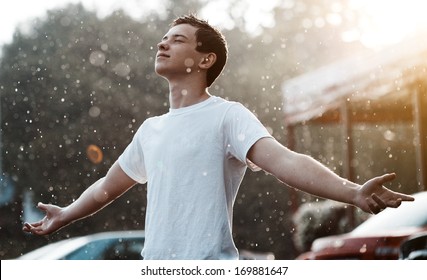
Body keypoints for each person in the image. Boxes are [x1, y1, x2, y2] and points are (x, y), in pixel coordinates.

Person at [23, 14, 414, 260]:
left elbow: (286, 161)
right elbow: (107, 188)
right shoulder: (151, 130)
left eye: (177, 39)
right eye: (164, 37)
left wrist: (353, 192)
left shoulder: (227, 115)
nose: (162, 43)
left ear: (205, 59)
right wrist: (66, 214)